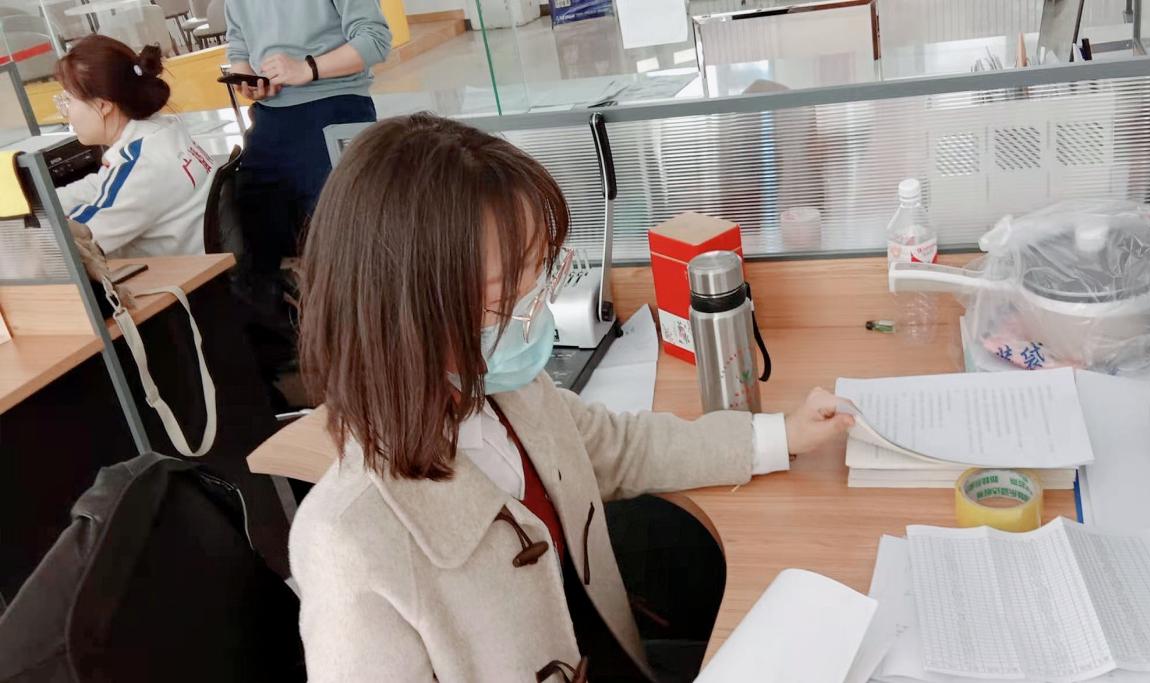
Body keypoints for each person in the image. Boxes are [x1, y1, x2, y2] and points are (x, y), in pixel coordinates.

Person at [291, 113, 856, 682]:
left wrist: (781, 434)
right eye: (508, 291)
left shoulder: (509, 391)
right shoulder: (348, 541)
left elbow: (623, 447)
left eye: (540, 270)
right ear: (406, 311)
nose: (538, 303)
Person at [224, 0, 391, 260]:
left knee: (345, 245)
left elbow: (375, 40)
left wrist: (307, 68)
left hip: (336, 109)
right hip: (268, 121)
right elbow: (238, 50)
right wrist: (248, 79)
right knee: (260, 247)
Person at [53, 36, 215, 259]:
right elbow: (101, 185)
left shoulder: (139, 166)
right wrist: (42, 203)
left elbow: (79, 242)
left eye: (68, 100)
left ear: (103, 105)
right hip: (209, 266)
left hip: (183, 276)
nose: (66, 112)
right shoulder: (163, 130)